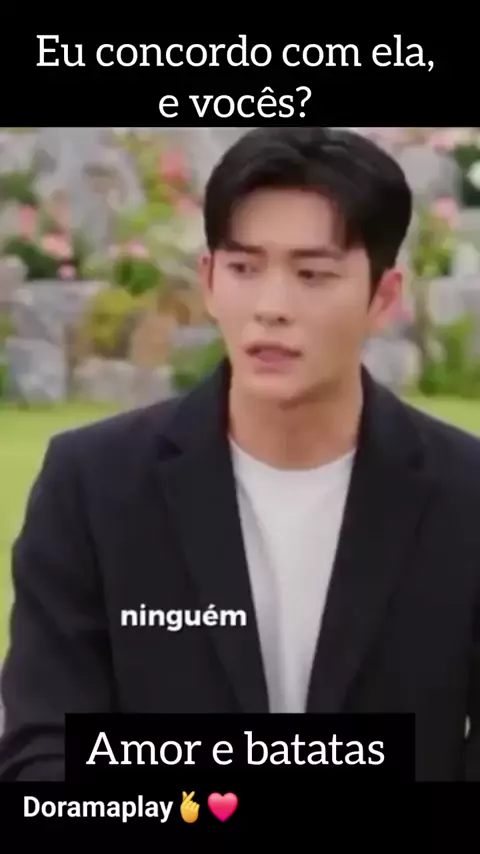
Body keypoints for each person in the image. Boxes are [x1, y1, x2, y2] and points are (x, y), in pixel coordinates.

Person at [0, 126, 479, 782]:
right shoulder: (93, 486)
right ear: (208, 279)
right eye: (244, 269)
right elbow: (43, 749)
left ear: (383, 298)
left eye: (312, 275)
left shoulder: (465, 497)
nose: (271, 308)